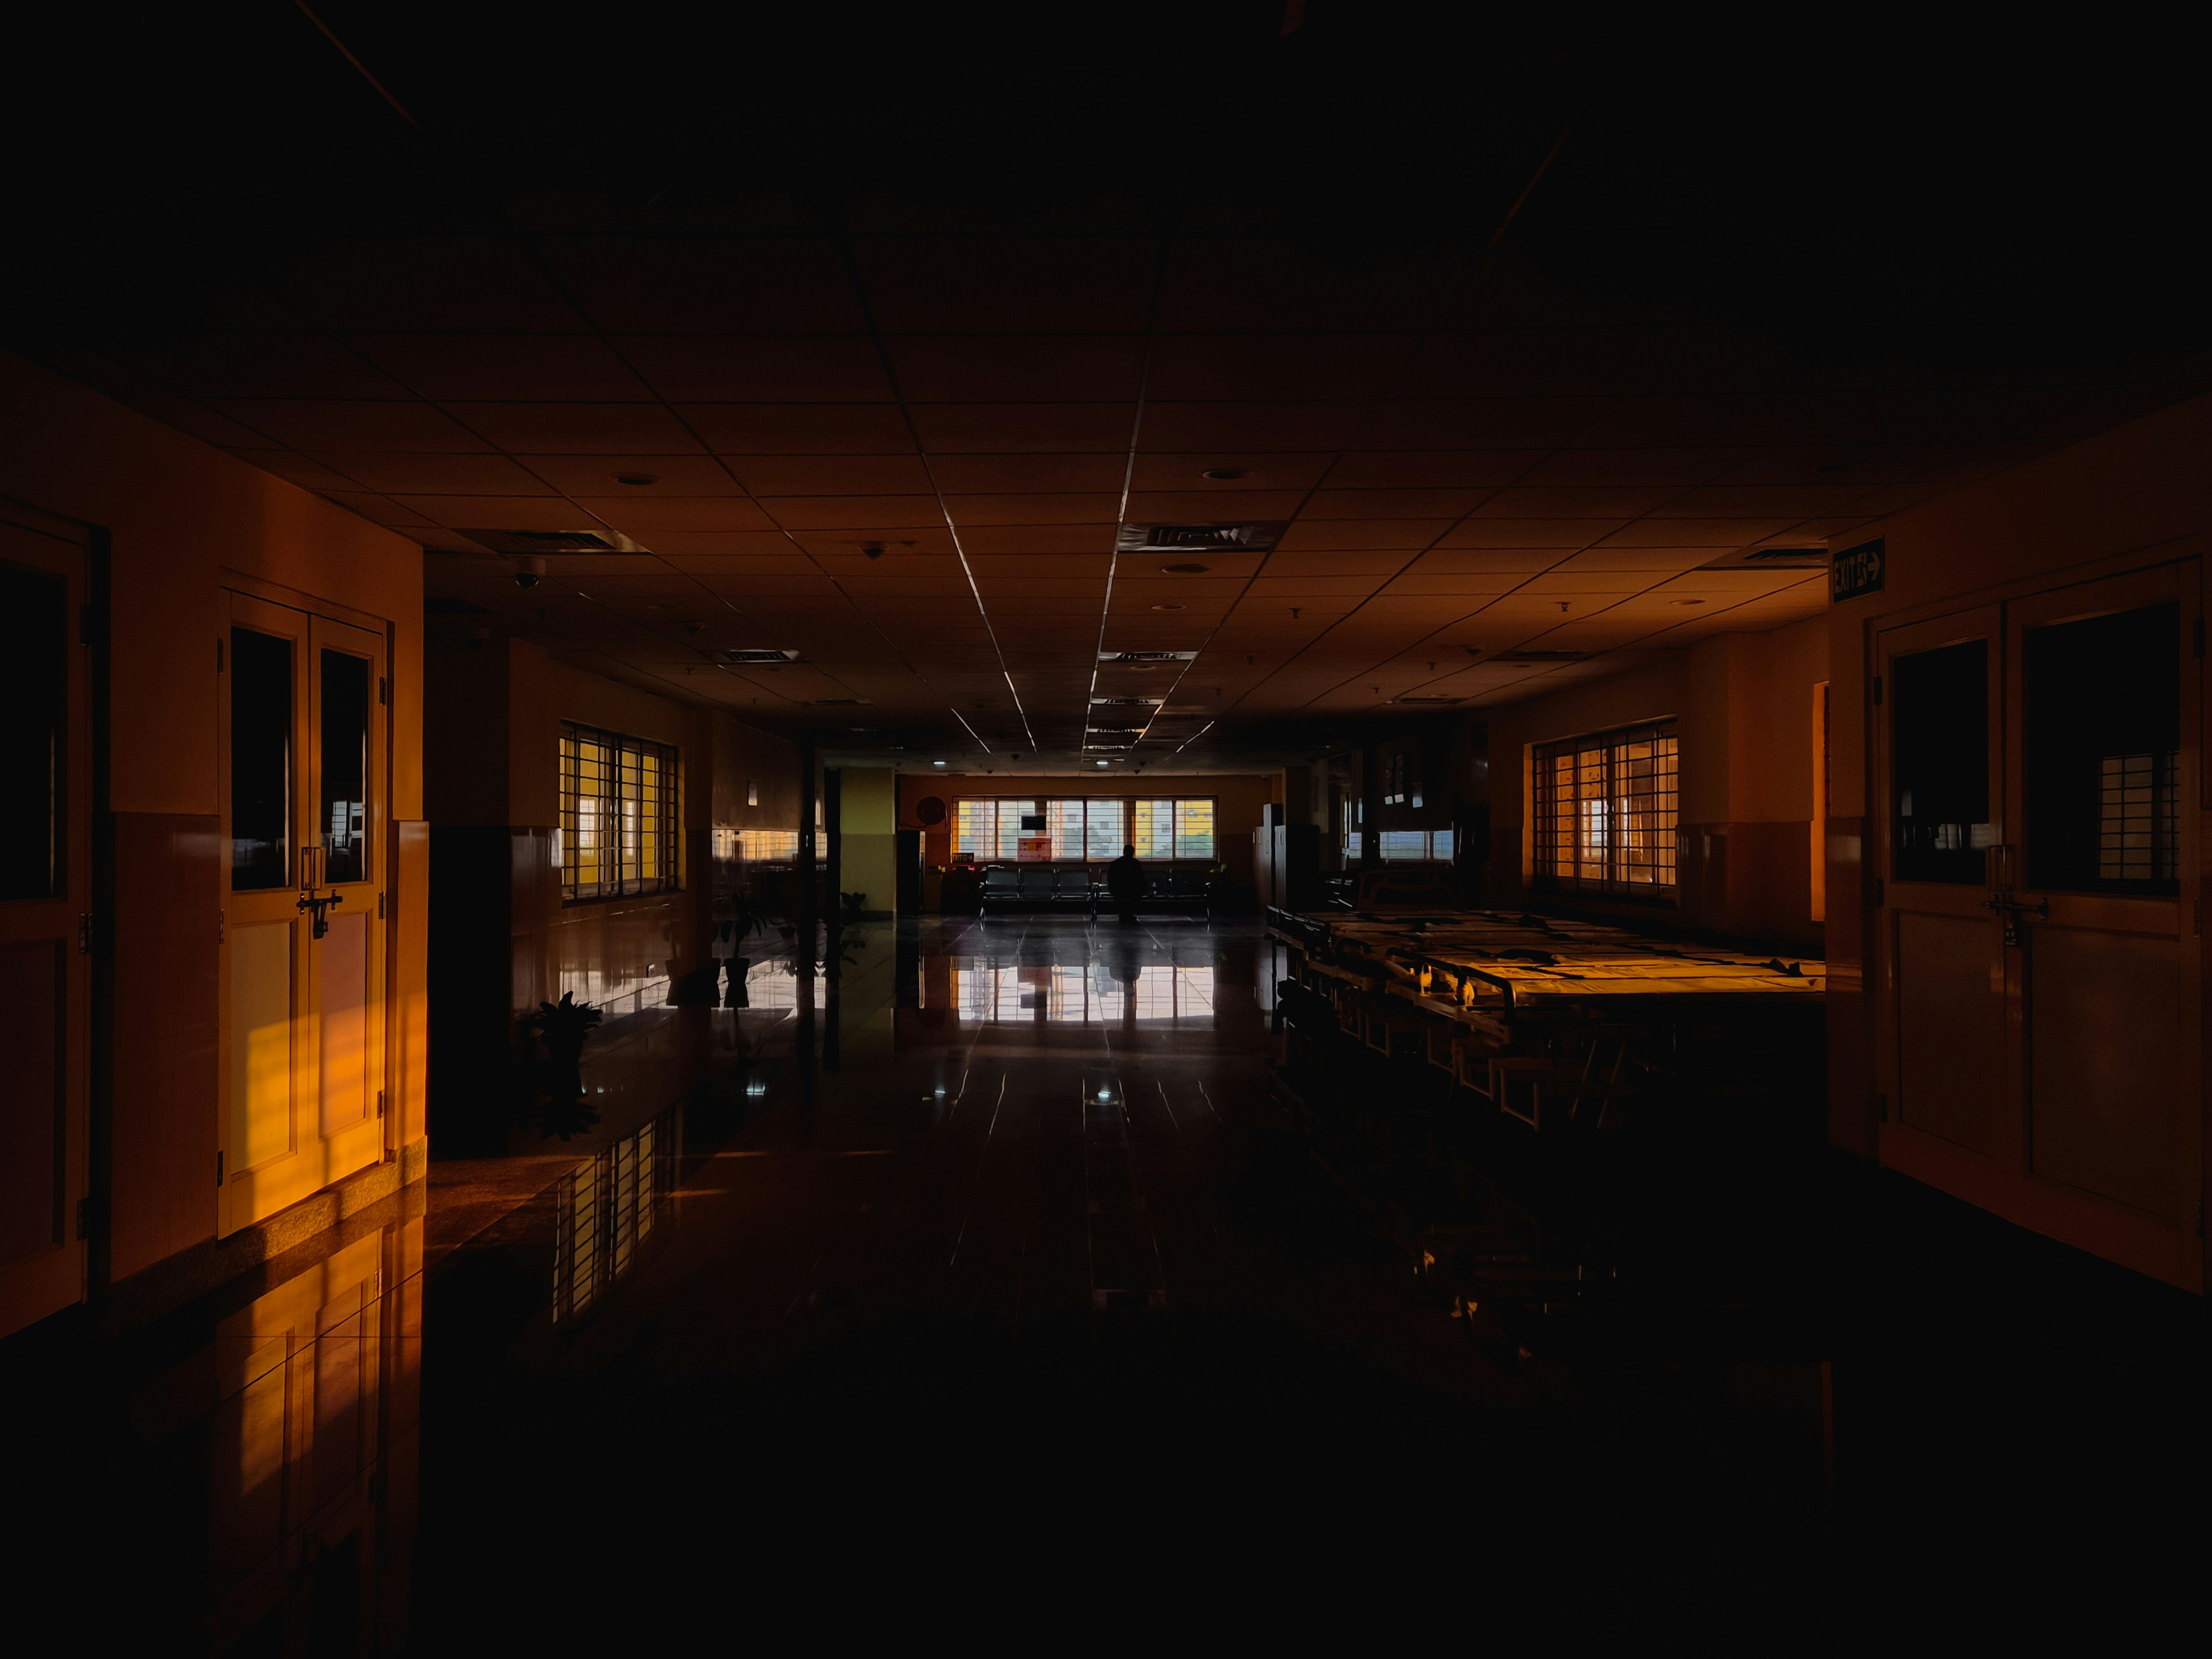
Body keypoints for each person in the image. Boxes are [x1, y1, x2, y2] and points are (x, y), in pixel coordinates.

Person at [1105, 843, 1144, 925]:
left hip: (1122, 888)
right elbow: (1141, 877)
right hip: (1127, 888)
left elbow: (1111, 877)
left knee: (1123, 895)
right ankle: (1128, 914)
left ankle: (1124, 914)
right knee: (1133, 894)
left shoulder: (1117, 863)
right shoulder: (1135, 863)